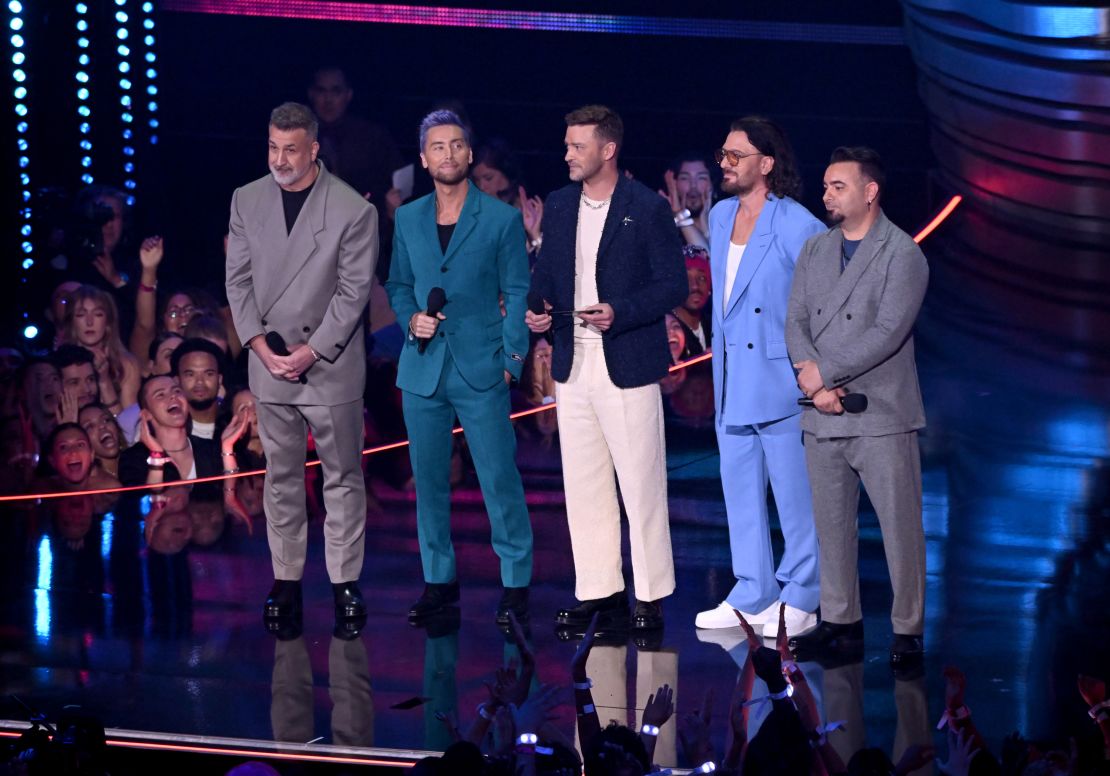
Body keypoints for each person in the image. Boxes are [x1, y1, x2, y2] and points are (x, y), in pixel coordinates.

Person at [526, 104, 686, 632]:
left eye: (577, 146)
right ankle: (599, 591)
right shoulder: (560, 203)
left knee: (640, 483)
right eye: (567, 144)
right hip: (573, 362)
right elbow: (547, 273)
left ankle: (650, 596)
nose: (568, 154)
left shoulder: (645, 207)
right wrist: (537, 307)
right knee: (585, 483)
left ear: (608, 150)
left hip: (628, 359)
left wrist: (621, 313)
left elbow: (672, 285)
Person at [225, 101, 378, 629]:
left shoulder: (352, 210)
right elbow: (237, 281)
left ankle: (344, 583)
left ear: (313, 149)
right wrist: (259, 345)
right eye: (273, 147)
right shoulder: (246, 200)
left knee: (341, 478)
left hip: (328, 367)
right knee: (280, 476)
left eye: (291, 149)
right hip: (269, 363)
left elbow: (354, 293)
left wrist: (311, 351)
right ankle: (286, 581)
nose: (280, 158)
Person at [385, 109, 533, 626]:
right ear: (424, 159)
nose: (447, 154)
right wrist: (411, 321)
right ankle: (438, 581)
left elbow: (517, 290)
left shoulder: (501, 218)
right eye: (437, 147)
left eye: (456, 145)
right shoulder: (407, 218)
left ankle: (515, 584)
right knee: (428, 481)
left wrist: (513, 359)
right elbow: (399, 285)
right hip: (423, 367)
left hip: (482, 366)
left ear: (469, 155)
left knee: (497, 477)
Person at [785, 146, 929, 666]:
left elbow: (888, 331)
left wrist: (828, 372)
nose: (827, 195)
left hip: (882, 414)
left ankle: (907, 630)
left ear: (871, 191)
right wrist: (813, 379)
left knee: (899, 528)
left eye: (838, 186)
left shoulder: (902, 254)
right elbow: (795, 320)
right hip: (820, 411)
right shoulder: (815, 251)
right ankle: (840, 623)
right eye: (825, 186)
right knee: (831, 525)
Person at [694, 116, 824, 638]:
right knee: (740, 493)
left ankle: (803, 595)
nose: (723, 164)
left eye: (735, 156)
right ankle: (752, 590)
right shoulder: (722, 215)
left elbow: (820, 302)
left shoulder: (798, 224)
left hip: (780, 378)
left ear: (766, 163)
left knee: (795, 498)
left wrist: (812, 369)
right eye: (722, 154)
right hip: (730, 378)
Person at [60, 284, 141, 411]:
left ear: (108, 322)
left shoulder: (127, 365)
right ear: (72, 321)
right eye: (81, 315)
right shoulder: (60, 364)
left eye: (98, 314)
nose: (89, 322)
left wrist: (105, 382)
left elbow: (130, 425)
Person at [170, 338, 225, 440]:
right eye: (190, 375)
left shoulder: (235, 423)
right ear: (177, 380)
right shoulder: (166, 428)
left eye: (209, 374)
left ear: (220, 379)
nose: (200, 382)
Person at [673, 245, 712, 357]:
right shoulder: (665, 332)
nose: (695, 286)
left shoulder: (717, 325)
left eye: (702, 278)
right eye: (686, 279)